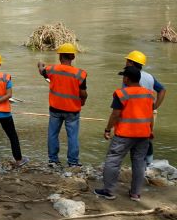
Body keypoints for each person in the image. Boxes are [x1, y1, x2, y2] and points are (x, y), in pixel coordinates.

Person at [95, 65, 156, 201]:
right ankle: (135, 194)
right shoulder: (149, 94)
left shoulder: (122, 94)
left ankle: (108, 191)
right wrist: (150, 130)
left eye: (124, 76)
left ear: (127, 79)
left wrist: (107, 129)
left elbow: (115, 114)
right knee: (139, 163)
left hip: (124, 135)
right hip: (143, 135)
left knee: (113, 160)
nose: (123, 79)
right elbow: (150, 115)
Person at [37, 43, 87, 167]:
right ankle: (73, 162)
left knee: (53, 134)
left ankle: (53, 160)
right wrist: (83, 101)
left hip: (55, 108)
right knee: (72, 137)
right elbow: (83, 93)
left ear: (60, 57)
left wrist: (40, 64)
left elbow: (42, 71)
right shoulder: (80, 74)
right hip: (72, 110)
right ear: (73, 57)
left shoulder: (52, 69)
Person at [123, 50, 165, 165]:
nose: (126, 62)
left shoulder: (129, 76)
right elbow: (162, 90)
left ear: (131, 63)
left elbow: (125, 95)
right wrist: (154, 106)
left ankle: (137, 165)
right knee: (147, 137)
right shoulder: (150, 77)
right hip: (148, 113)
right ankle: (148, 164)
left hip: (134, 113)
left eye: (127, 61)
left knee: (130, 138)